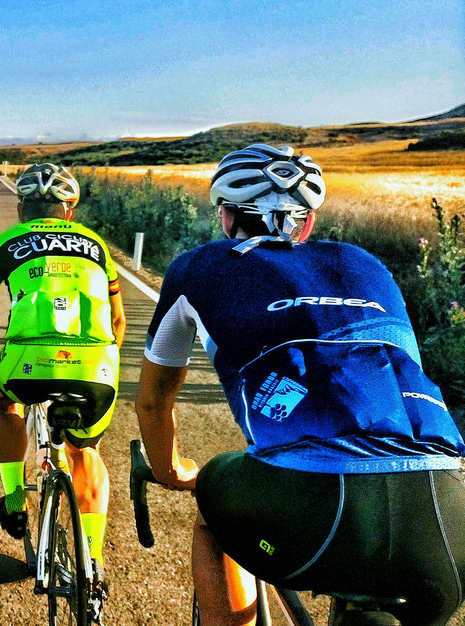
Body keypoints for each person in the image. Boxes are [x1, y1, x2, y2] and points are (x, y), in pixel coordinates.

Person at [137, 143, 465, 626]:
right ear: (307, 222)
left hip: (311, 504)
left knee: (213, 516)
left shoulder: (198, 266)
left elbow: (153, 400)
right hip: (447, 514)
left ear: (227, 219)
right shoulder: (367, 264)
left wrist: (169, 471)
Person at [0, 162, 125, 617]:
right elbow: (118, 323)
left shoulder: (2, 245)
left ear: (20, 209)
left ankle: (14, 497)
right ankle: (92, 564)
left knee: (8, 404)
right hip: (93, 366)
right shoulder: (96, 246)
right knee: (86, 454)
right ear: (69, 211)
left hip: (26, 363)